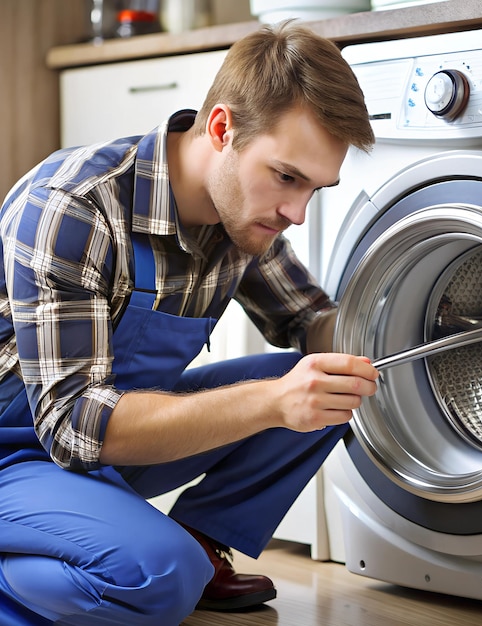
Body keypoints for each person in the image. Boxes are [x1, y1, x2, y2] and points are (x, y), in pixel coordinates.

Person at [0, 19, 377, 626]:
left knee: (327, 382)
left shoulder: (243, 217)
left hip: (102, 445)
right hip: (21, 449)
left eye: (314, 188)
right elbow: (72, 426)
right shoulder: (75, 205)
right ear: (223, 129)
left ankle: (198, 546)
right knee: (158, 579)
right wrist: (273, 401)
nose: (296, 213)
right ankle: (157, 562)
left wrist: (389, 345)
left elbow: (309, 319)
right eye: (286, 177)